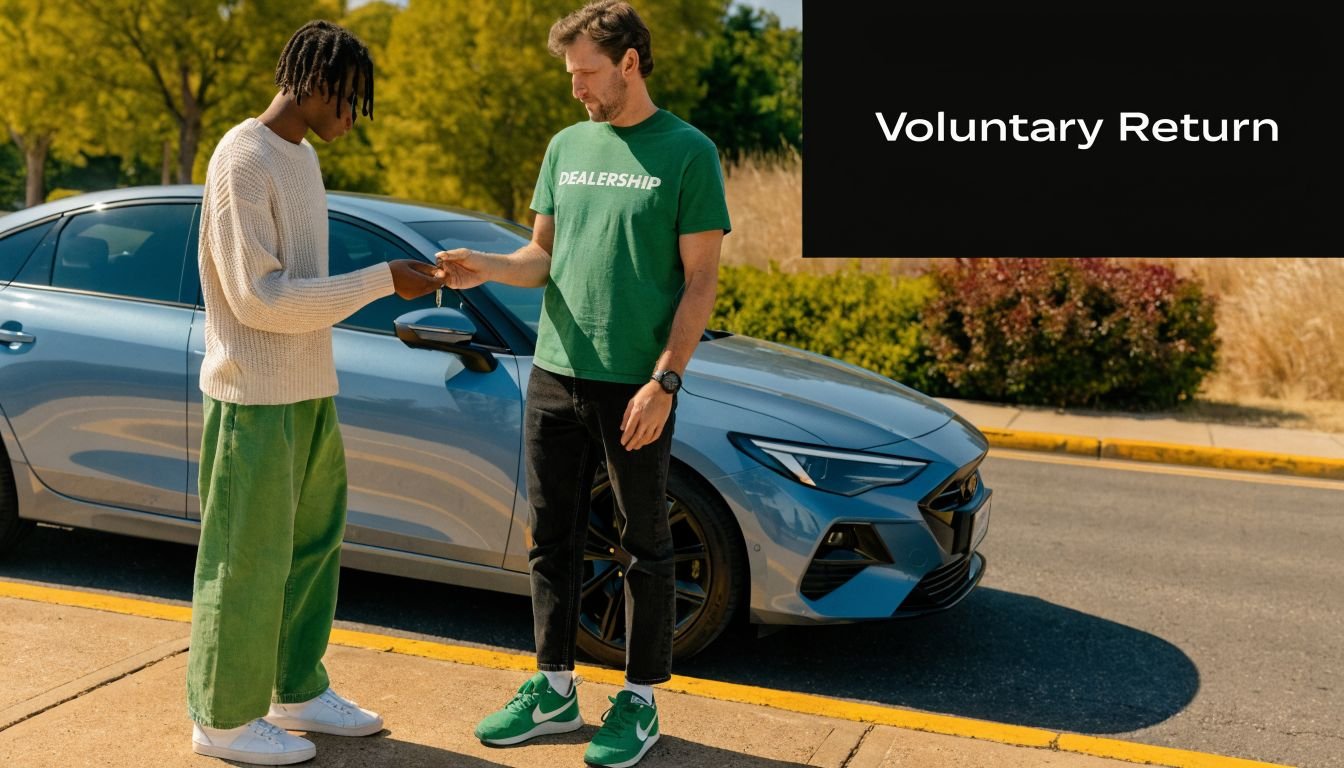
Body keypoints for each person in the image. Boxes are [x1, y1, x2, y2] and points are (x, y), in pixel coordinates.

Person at [435, 2, 730, 765]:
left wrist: (666, 381)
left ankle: (639, 701)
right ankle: (555, 689)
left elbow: (700, 283)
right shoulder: (566, 146)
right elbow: (542, 258)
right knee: (551, 537)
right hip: (557, 371)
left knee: (644, 542)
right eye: (571, 76)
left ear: (630, 62)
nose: (576, 89)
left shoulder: (689, 153)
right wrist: (489, 268)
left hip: (635, 383)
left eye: (586, 74)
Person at [187, 19, 441, 766]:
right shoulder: (242, 158)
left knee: (310, 548)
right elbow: (259, 299)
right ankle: (221, 720)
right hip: (251, 397)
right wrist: (379, 283)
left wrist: (390, 278)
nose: (353, 119)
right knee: (244, 559)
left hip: (306, 388)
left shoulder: (300, 159)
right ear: (315, 83)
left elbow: (298, 288)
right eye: (350, 102)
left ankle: (295, 690)